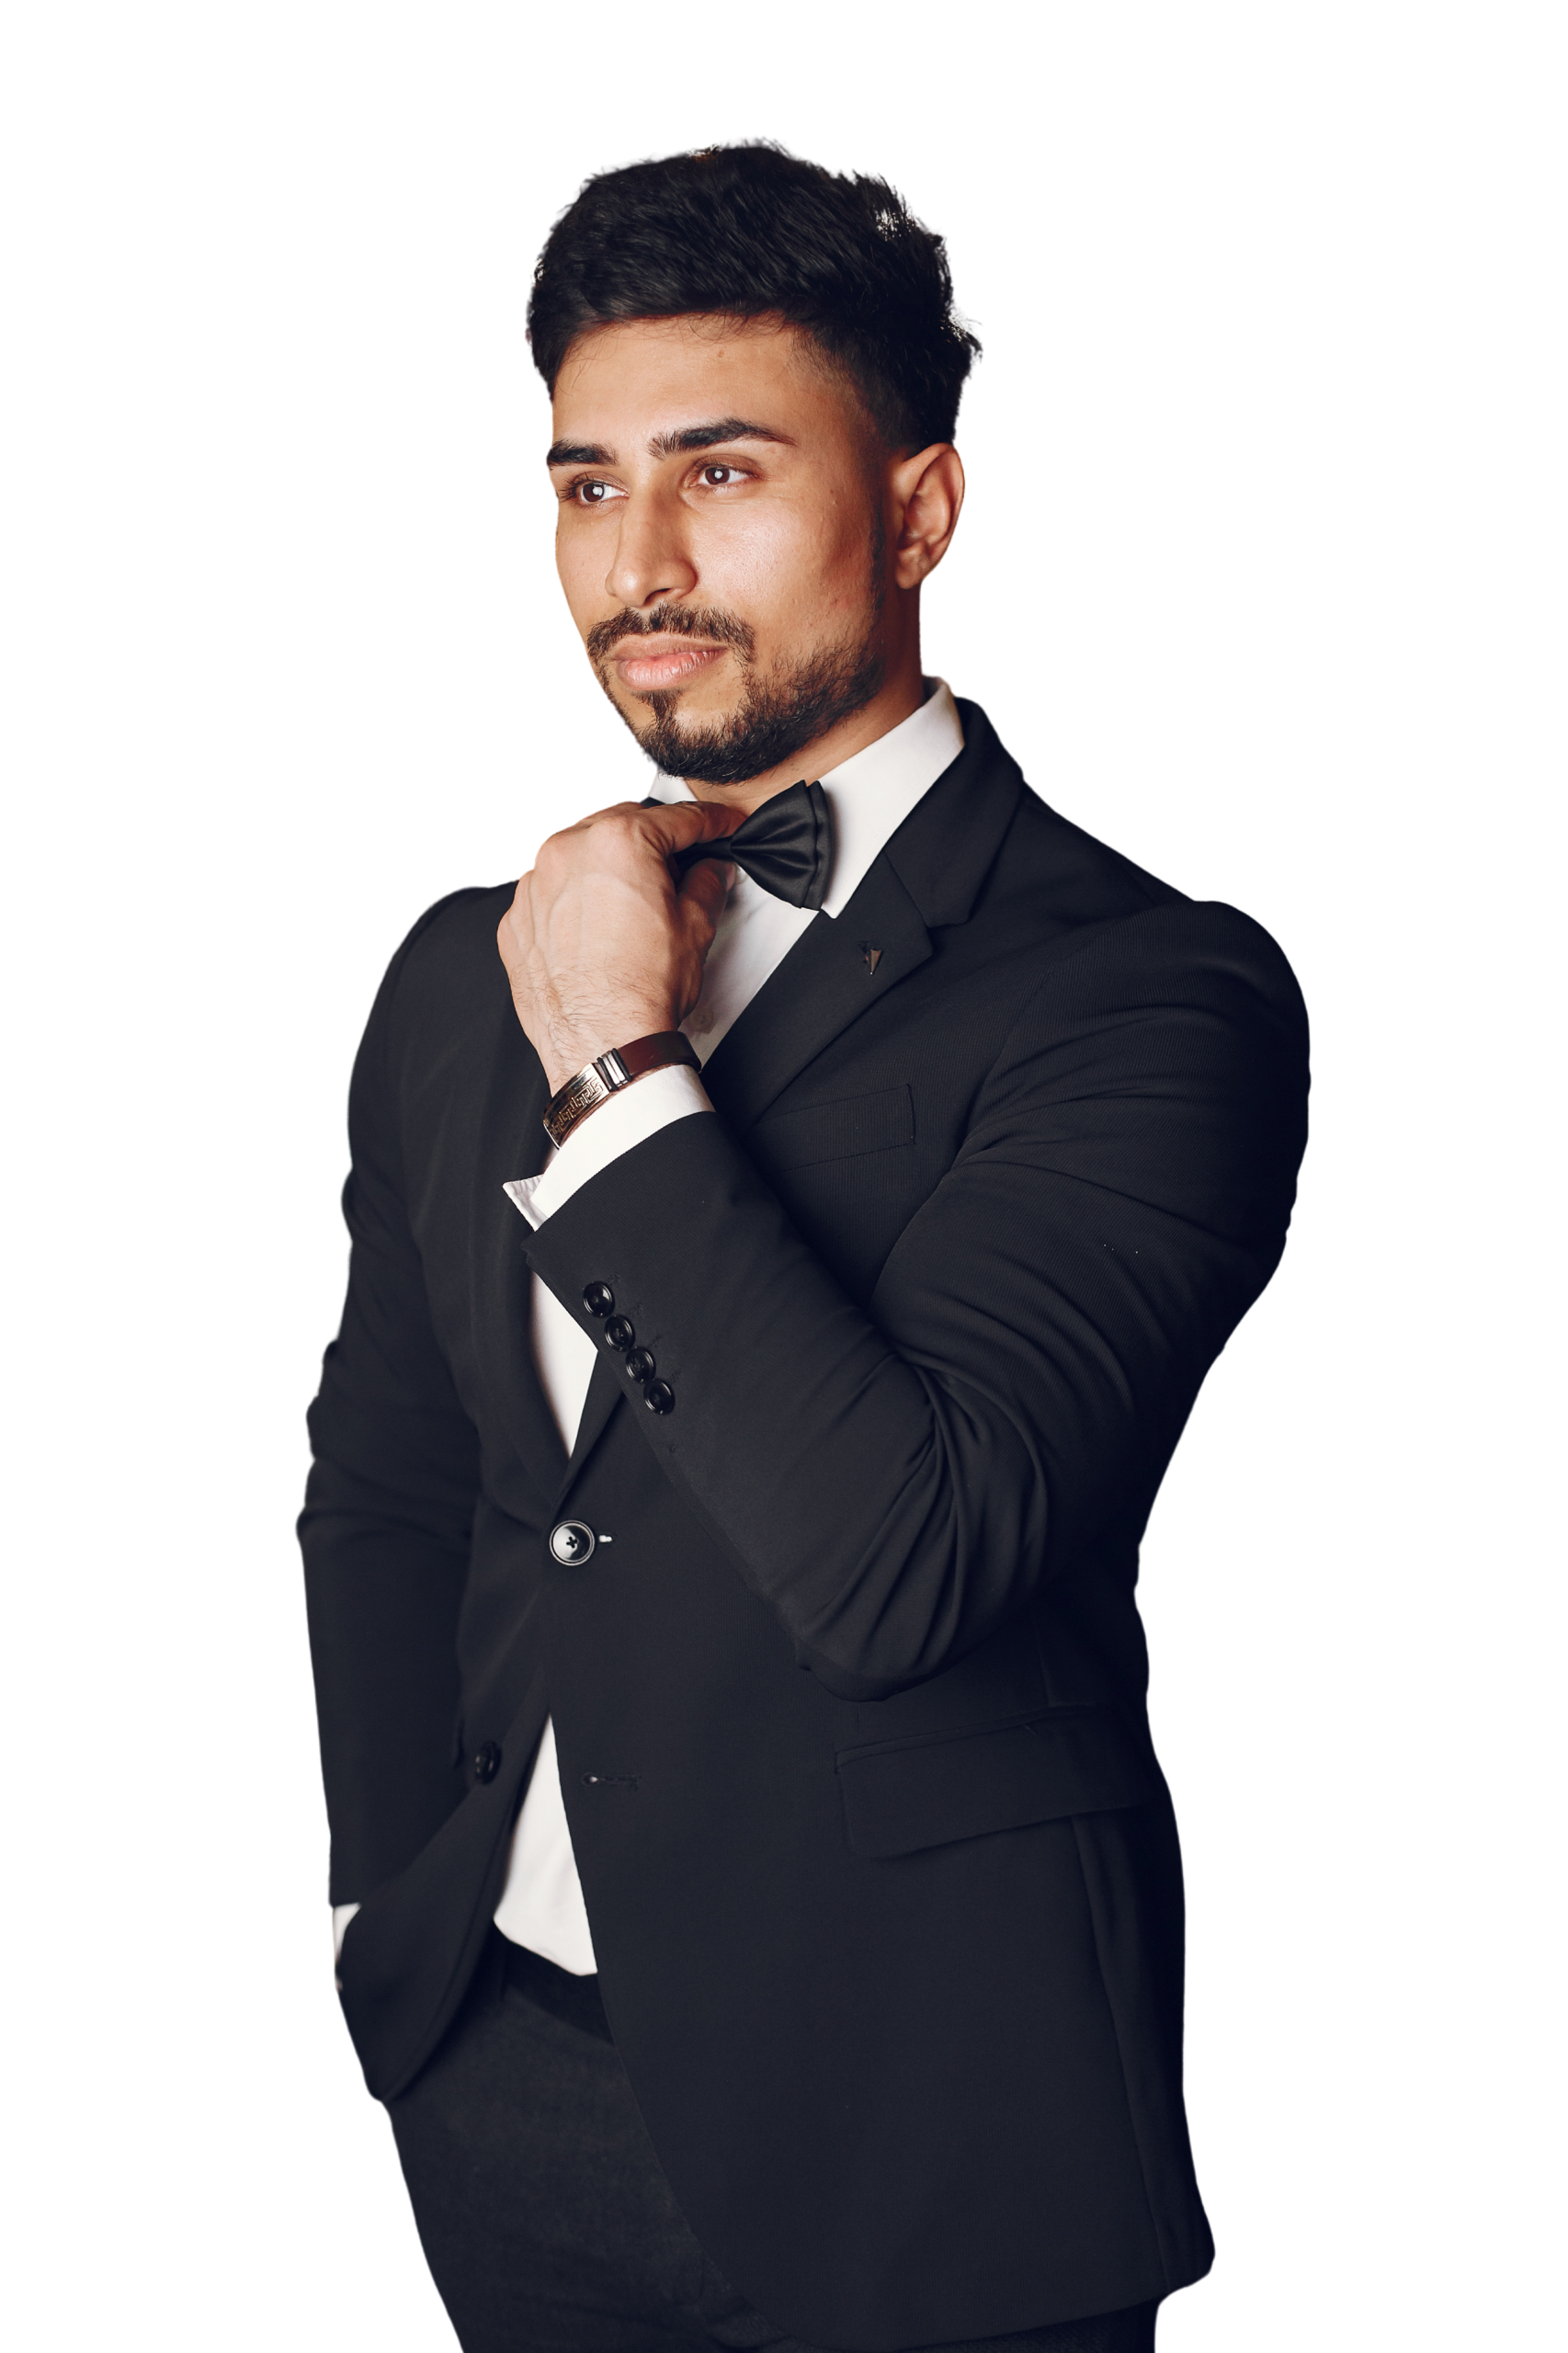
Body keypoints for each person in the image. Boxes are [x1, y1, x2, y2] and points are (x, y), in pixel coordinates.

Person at [299, 135, 1311, 2353]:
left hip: (930, 2121)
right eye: (585, 485)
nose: (637, 562)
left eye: (723, 471)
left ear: (921, 510)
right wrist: (384, 1910)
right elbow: (385, 1482)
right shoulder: (464, 963)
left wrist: (610, 1062)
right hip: (491, 2080)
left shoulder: (1151, 993)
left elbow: (903, 1560)